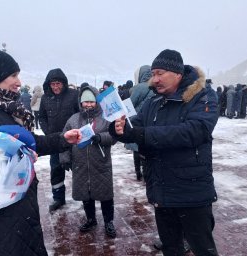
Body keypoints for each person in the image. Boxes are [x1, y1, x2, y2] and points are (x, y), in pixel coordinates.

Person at [0, 49, 81, 256]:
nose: (19, 81)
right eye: (13, 75)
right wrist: (20, 157)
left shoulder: (5, 108)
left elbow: (29, 142)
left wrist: (62, 139)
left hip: (21, 208)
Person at [109, 49, 219, 256]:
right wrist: (119, 128)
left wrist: (144, 135)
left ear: (177, 73)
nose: (154, 79)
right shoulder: (153, 101)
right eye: (153, 74)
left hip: (191, 191)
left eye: (160, 73)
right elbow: (135, 127)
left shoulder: (202, 96)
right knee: (171, 248)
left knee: (203, 249)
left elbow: (195, 131)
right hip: (161, 189)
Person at [60, 85, 117, 238]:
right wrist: (65, 157)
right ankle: (91, 219)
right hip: (80, 164)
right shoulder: (73, 119)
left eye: (91, 101)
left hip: (101, 163)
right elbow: (64, 140)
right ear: (80, 102)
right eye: (85, 102)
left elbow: (114, 136)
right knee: (86, 194)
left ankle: (108, 221)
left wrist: (100, 138)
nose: (88, 104)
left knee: (105, 194)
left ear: (96, 102)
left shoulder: (106, 118)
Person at [39, 68, 79, 212]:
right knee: (56, 169)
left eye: (58, 84)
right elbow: (41, 117)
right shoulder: (45, 98)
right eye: (53, 84)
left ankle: (84, 196)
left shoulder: (74, 95)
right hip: (55, 141)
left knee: (79, 169)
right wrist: (47, 131)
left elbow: (81, 114)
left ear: (63, 83)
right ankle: (58, 198)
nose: (55, 87)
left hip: (74, 140)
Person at [126, 65, 153, 181]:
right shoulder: (156, 86)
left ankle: (138, 172)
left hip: (138, 122)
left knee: (137, 149)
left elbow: (129, 105)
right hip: (152, 122)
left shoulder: (138, 88)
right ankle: (149, 172)